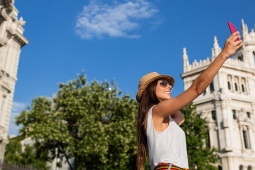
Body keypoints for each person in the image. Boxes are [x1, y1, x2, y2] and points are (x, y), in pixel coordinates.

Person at [136, 32, 243, 170]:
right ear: (150, 90)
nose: (169, 86)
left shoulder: (164, 117)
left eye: (169, 84)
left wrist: (169, 97)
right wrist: (224, 54)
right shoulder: (157, 110)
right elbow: (197, 88)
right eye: (163, 83)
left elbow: (180, 116)